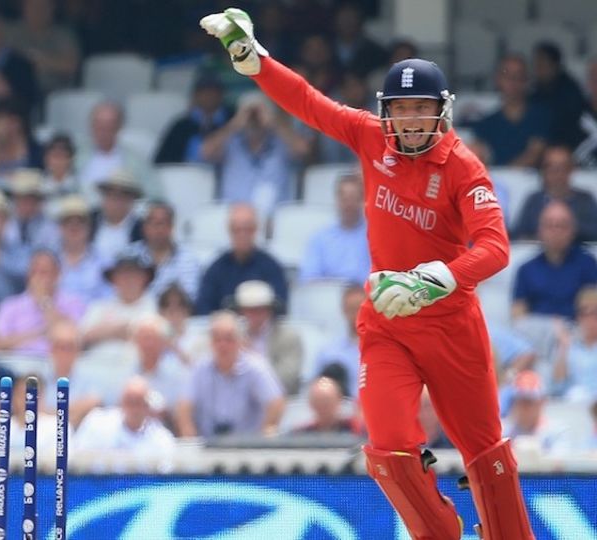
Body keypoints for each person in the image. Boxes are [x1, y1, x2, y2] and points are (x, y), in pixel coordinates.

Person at [200, 9, 533, 537]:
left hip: (451, 325)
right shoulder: (370, 136)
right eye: (400, 109)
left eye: (421, 109)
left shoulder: (463, 166)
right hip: (388, 322)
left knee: (486, 453)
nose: (410, 120)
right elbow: (309, 102)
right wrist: (254, 60)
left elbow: (495, 247)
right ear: (387, 112)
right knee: (387, 445)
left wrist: (433, 279)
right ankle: (440, 533)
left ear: (441, 112)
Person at [177, 311, 285, 439]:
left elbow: (276, 403)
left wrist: (262, 435)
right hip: (207, 446)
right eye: (217, 339)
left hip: (247, 447)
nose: (223, 345)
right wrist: (190, 436)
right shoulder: (200, 368)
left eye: (229, 339)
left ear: (240, 341)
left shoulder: (255, 367)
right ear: (210, 342)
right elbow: (184, 406)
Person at [194, 203, 288, 315]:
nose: (242, 235)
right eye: (237, 230)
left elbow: (280, 307)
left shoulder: (272, 267)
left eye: (248, 229)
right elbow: (204, 309)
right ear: (229, 231)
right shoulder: (216, 269)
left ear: (256, 230)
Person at [512, 201, 597, 320]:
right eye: (550, 225)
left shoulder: (588, 264)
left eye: (562, 225)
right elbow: (518, 315)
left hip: (575, 330)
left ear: (573, 230)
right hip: (535, 332)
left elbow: (591, 312)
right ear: (539, 230)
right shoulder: (526, 269)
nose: (556, 231)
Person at [73, 376, 177, 473]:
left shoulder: (161, 438)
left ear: (147, 406)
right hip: (99, 488)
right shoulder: (97, 422)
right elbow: (79, 461)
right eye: (129, 401)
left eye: (138, 402)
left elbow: (166, 472)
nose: (133, 408)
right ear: (121, 401)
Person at [0, 249, 85, 355]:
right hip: (17, 363)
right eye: (34, 272)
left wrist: (44, 301)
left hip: (56, 364)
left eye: (44, 272)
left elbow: (71, 339)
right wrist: (40, 333)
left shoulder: (72, 303)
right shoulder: (10, 305)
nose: (37, 278)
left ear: (57, 274)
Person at [472, 55, 549, 168]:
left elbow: (535, 155)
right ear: (497, 79)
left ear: (527, 80)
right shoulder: (485, 124)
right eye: (507, 75)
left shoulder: (542, 118)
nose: (513, 81)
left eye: (519, 76)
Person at [511, 145, 597, 243]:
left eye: (562, 167)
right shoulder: (534, 200)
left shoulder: (585, 199)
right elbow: (518, 236)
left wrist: (565, 229)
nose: (557, 172)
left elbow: (594, 232)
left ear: (571, 170)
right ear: (542, 170)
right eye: (550, 167)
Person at [232, 280, 303, 395]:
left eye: (259, 309)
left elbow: (287, 378)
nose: (254, 314)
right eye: (249, 310)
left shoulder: (289, 337)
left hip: (279, 401)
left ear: (269, 309)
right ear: (241, 311)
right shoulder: (232, 335)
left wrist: (253, 357)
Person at [298, 173, 370, 283]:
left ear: (363, 200)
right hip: (328, 295)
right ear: (337, 199)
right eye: (344, 199)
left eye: (354, 198)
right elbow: (309, 278)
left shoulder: (374, 236)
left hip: (364, 294)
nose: (349, 204)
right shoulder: (319, 238)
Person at [154, 72, 233, 164]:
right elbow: (162, 162)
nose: (209, 96)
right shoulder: (181, 126)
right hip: (188, 175)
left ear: (221, 95)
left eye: (213, 92)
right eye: (204, 92)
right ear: (195, 95)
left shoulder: (233, 120)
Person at [53, 194, 110, 302]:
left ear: (89, 226)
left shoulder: (104, 261)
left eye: (80, 221)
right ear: (59, 226)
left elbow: (108, 299)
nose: (74, 226)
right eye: (67, 221)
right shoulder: (48, 260)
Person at [290, 377, 358, 435]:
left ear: (339, 400)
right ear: (311, 403)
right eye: (318, 401)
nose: (322, 407)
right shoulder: (301, 434)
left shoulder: (355, 430)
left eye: (327, 401)